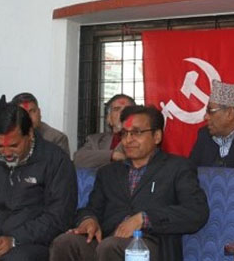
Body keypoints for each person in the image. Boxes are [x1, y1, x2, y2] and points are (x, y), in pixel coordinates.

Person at [50, 105, 209, 261]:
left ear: (157, 136)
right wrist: (88, 220)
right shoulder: (108, 172)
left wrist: (144, 219)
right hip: (108, 242)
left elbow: (196, 212)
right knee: (65, 242)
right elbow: (92, 208)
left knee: (110, 247)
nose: (128, 140)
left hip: (152, 245)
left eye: (137, 133)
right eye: (125, 133)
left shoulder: (177, 167)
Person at [0, 103, 76, 261]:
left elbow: (59, 216)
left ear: (30, 134)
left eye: (14, 146)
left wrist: (14, 240)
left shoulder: (56, 160)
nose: (6, 153)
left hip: (31, 244)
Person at [73, 94, 135, 168]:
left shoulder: (141, 138)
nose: (122, 113)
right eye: (116, 109)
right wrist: (112, 155)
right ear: (109, 118)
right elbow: (78, 159)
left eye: (127, 109)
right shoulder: (95, 140)